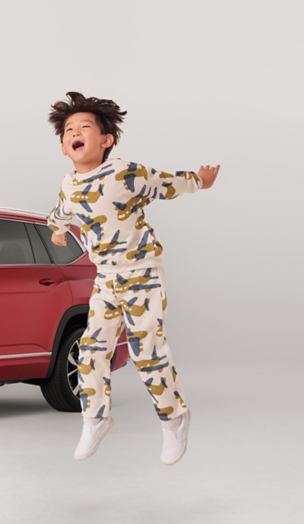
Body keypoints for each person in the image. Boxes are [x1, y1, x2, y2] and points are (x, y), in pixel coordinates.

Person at [45, 91, 220, 465]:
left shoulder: (124, 173)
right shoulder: (69, 185)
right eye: (69, 130)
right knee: (91, 351)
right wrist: (57, 230)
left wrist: (199, 182)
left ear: (105, 140)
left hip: (141, 272)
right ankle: (95, 418)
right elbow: (61, 211)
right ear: (63, 146)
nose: (75, 133)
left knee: (147, 351)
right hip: (105, 279)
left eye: (85, 127)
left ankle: (174, 419)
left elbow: (164, 183)